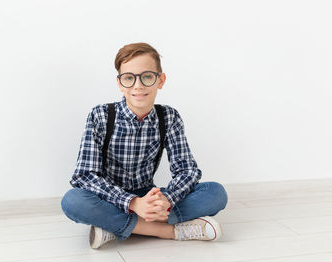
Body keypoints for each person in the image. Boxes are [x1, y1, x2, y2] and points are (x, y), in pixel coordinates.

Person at [61, 42, 228, 249]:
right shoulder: (101, 115)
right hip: (111, 198)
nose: (138, 86)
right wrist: (132, 203)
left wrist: (166, 199)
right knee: (73, 201)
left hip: (149, 194)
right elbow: (84, 176)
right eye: (129, 78)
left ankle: (117, 227)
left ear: (160, 80)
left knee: (216, 193)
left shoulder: (169, 117)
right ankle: (167, 231)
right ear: (120, 83)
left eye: (147, 77)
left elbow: (188, 170)